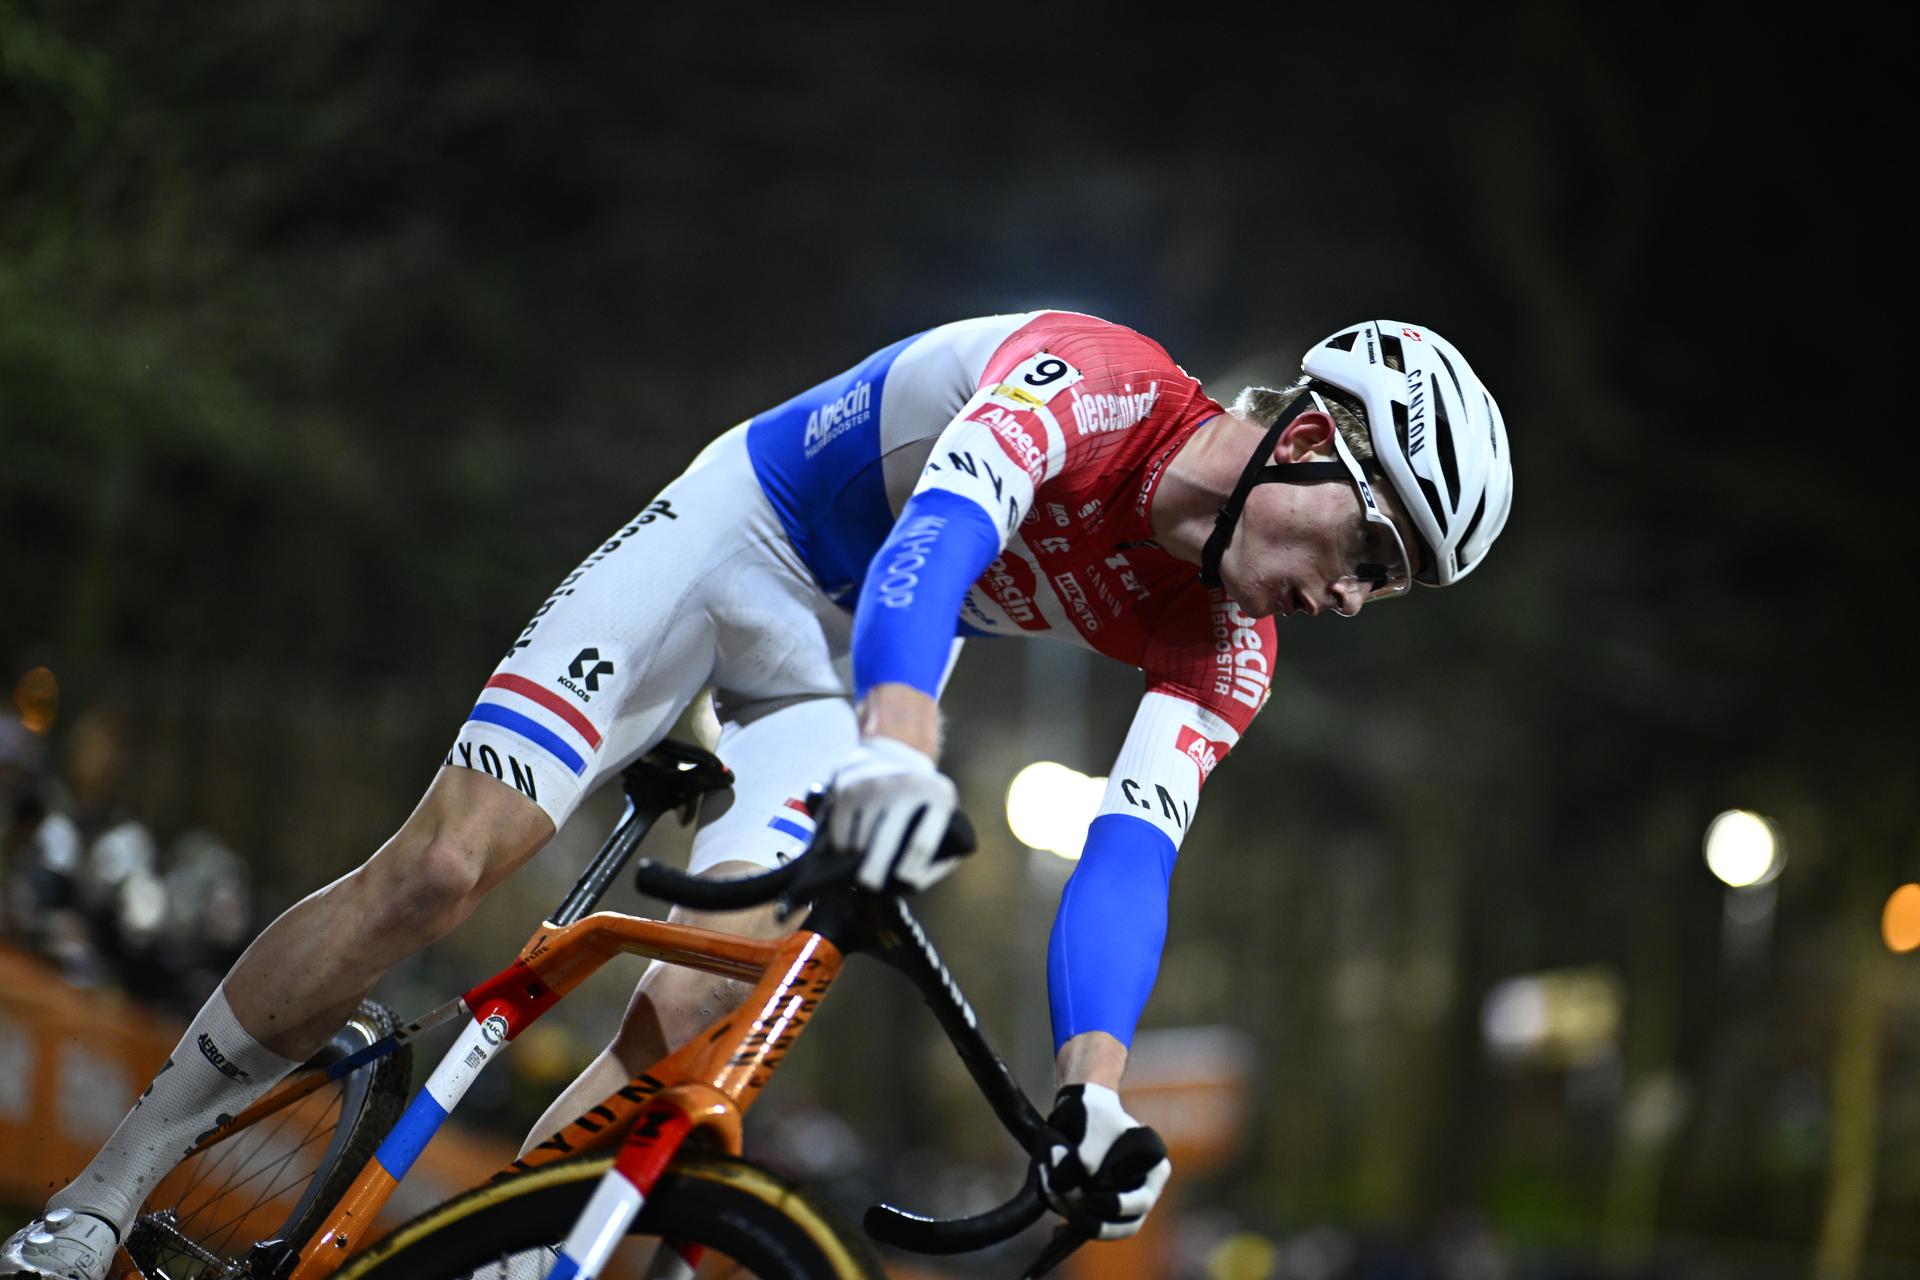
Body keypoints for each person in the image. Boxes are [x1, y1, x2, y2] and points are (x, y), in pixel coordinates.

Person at [3, 312, 1511, 1277]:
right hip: (751, 542)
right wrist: (900, 743)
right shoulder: (1101, 381)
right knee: (444, 873)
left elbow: (1132, 856)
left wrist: (1092, 1094)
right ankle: (107, 1188)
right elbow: (934, 538)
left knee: (700, 1014)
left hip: (835, 672)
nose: (1356, 601)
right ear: (1312, 440)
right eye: (1373, 553)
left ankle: (498, 1259)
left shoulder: (1230, 656)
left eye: (1394, 589)